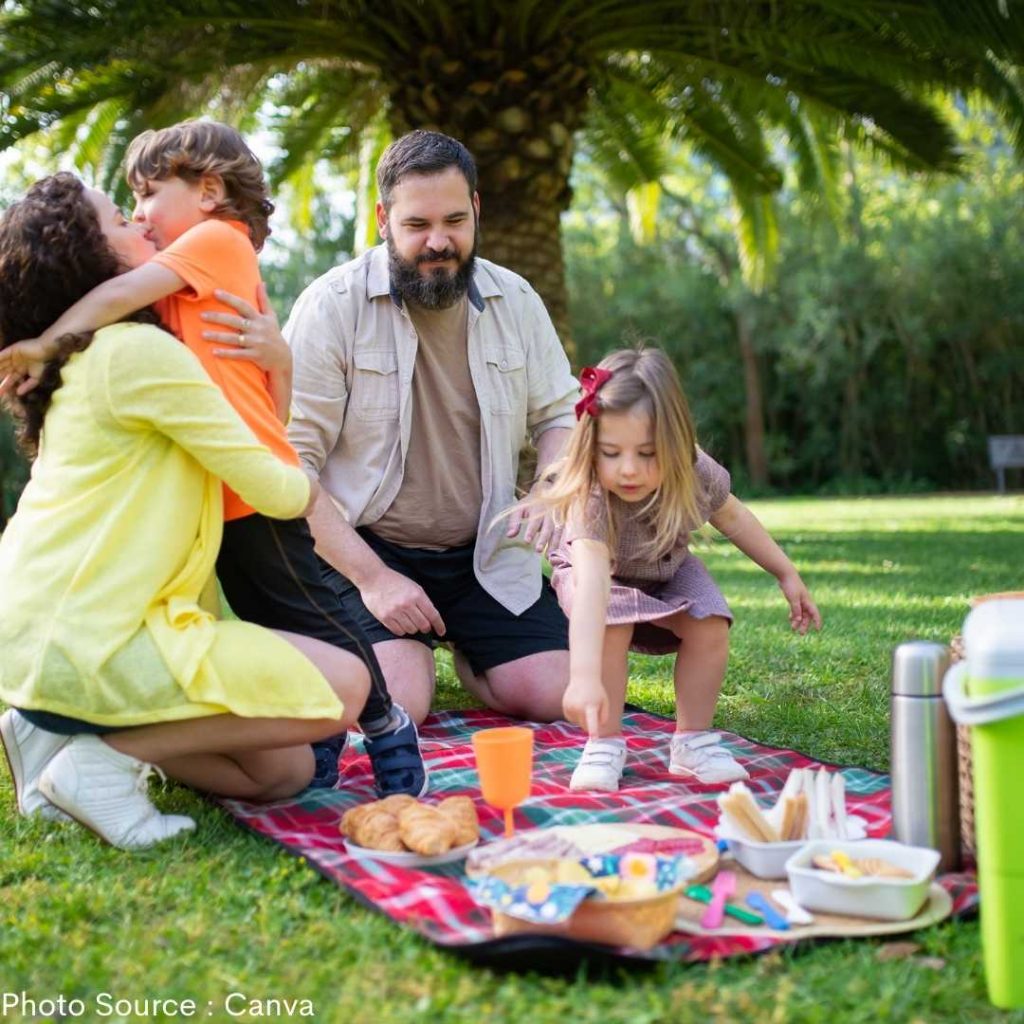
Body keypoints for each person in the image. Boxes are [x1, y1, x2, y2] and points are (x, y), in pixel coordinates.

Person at [0, 121, 426, 796]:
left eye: (146, 194)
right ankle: (95, 748)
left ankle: (383, 720)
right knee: (268, 620)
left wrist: (46, 341)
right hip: (219, 504)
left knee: (312, 615)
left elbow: (260, 415)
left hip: (255, 489)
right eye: (124, 207)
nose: (139, 213)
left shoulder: (213, 242)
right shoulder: (148, 319)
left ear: (207, 191)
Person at [284, 130, 578, 725]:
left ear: (477, 210)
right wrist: (373, 580)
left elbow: (559, 416)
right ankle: (401, 647)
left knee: (560, 696)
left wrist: (549, 491)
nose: (438, 242)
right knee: (400, 704)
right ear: (382, 218)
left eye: (454, 220)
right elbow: (289, 465)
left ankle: (476, 653)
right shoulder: (330, 306)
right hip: (363, 548)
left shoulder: (517, 300)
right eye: (417, 225)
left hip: (485, 554)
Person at [531, 348, 822, 792]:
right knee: (612, 623)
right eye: (612, 452)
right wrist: (584, 677)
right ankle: (604, 742)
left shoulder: (692, 468)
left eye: (647, 453)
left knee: (710, 624)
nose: (628, 469)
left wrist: (785, 572)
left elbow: (733, 517)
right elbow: (592, 588)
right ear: (593, 447)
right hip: (599, 577)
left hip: (665, 563)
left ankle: (692, 742)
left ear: (675, 442)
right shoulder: (591, 497)